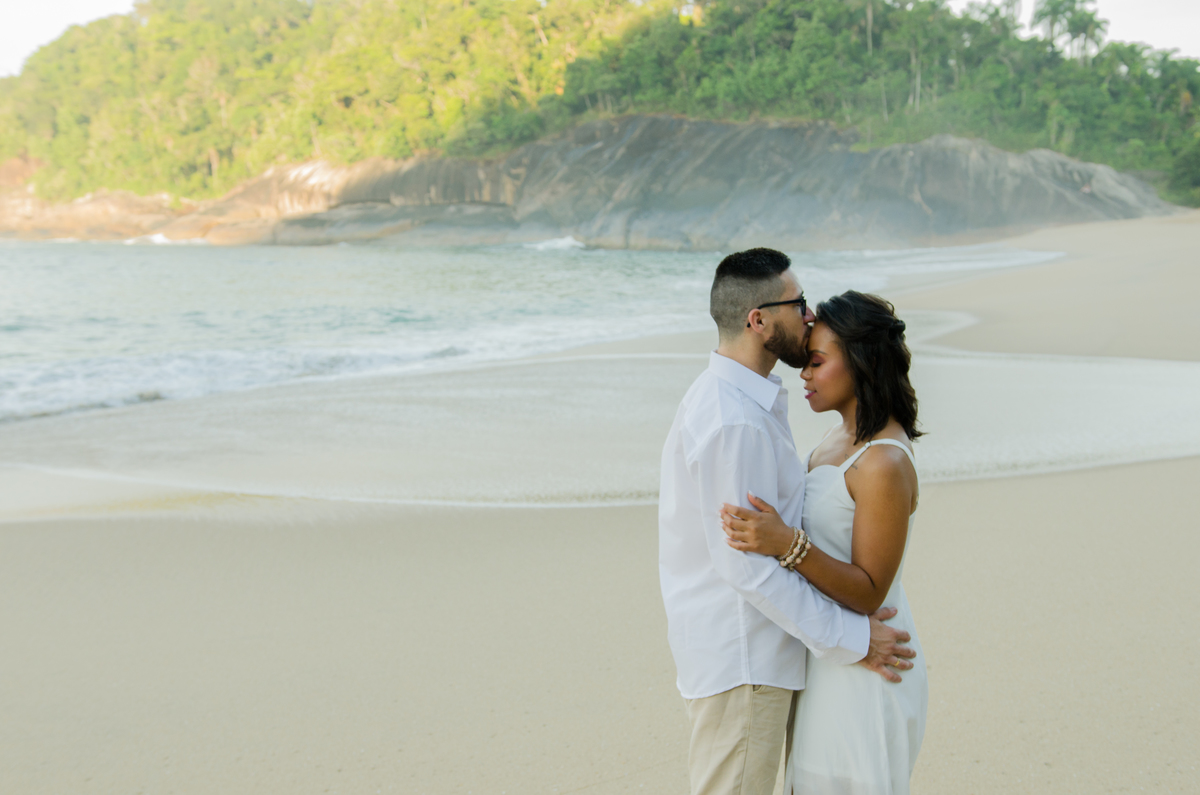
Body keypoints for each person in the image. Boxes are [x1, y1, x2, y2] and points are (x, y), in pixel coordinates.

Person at [659, 249, 916, 795]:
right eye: (797, 303)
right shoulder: (737, 421)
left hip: (772, 656)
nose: (807, 314)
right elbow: (747, 569)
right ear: (758, 319)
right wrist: (851, 638)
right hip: (747, 657)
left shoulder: (744, 405)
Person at [720, 290, 928, 795]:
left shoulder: (883, 462)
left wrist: (788, 545)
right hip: (829, 654)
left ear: (859, 362)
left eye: (816, 362)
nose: (804, 374)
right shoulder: (833, 443)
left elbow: (869, 590)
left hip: (872, 665)